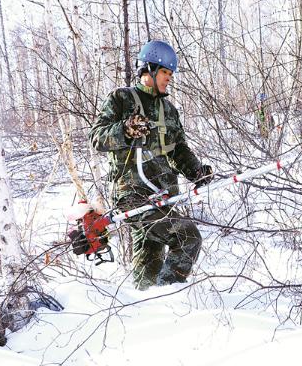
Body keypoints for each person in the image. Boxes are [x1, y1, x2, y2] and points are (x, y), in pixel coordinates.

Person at [88, 40, 213, 290]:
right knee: (187, 236)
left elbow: (178, 149)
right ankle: (168, 296)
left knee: (147, 272)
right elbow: (97, 138)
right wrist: (125, 129)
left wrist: (195, 171)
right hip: (134, 197)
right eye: (165, 73)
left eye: (170, 74)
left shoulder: (169, 110)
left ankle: (148, 311)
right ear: (149, 70)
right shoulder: (121, 98)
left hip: (164, 196)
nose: (169, 79)